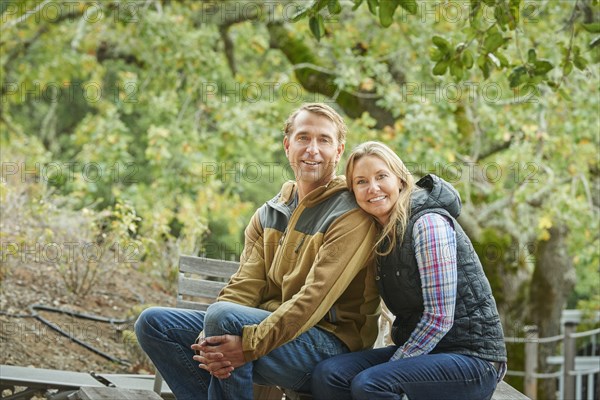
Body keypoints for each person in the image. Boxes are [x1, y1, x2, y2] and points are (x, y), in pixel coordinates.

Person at [135, 104, 381, 400]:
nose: (312, 149)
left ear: (339, 151)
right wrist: (208, 341)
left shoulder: (350, 215)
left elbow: (312, 302)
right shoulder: (270, 213)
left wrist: (249, 344)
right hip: (272, 333)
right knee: (153, 324)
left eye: (324, 140)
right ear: (287, 145)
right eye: (303, 138)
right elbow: (244, 286)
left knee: (224, 320)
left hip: (328, 346)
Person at [312, 141, 507, 400]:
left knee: (371, 384)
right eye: (361, 182)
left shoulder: (428, 224)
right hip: (429, 353)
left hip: (472, 360)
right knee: (329, 374)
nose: (373, 188)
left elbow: (439, 318)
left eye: (382, 176)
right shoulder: (381, 233)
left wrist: (393, 363)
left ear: (401, 180)